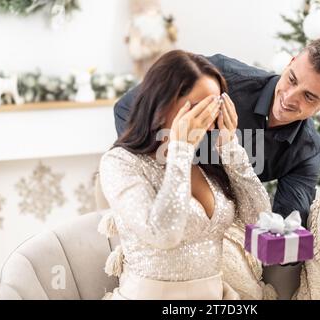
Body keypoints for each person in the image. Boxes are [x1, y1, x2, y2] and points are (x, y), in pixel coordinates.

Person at [98, 50, 272, 299]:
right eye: (199, 107)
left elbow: (260, 219)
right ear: (162, 103)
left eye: (215, 106)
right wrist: (180, 149)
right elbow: (163, 234)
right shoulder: (120, 163)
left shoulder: (207, 163)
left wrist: (229, 146)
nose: (208, 118)